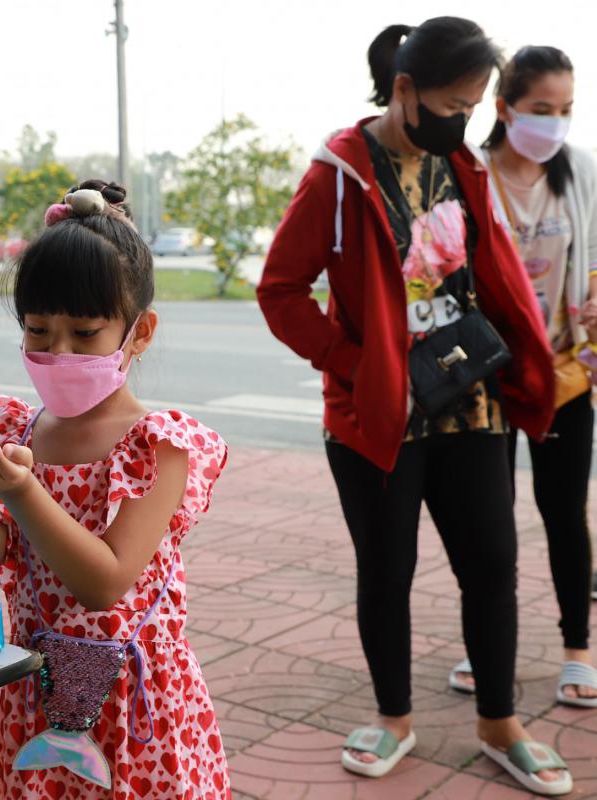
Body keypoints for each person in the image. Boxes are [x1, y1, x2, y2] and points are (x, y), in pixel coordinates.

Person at [257, 18, 572, 795]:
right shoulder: (338, 173)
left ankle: (499, 723)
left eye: (471, 106)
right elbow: (280, 290)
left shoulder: (461, 165)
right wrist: (355, 364)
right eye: (449, 105)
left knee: (491, 566)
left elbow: (491, 273)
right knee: (386, 570)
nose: (460, 121)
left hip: (471, 403)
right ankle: (393, 718)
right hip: (378, 415)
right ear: (403, 90)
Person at [0, 181, 231, 798]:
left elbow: (103, 582)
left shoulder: (158, 447)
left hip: (136, 709)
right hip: (37, 694)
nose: (58, 352)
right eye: (38, 331)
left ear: (139, 333)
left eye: (85, 333)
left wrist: (19, 490)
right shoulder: (16, 431)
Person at [443, 46, 597, 711]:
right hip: (486, 378)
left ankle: (577, 649)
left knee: (564, 513)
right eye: (541, 108)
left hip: (562, 376)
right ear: (504, 108)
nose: (555, 123)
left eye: (566, 109)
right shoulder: (467, 175)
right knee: (488, 525)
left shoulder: (580, 173)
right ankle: (488, 651)